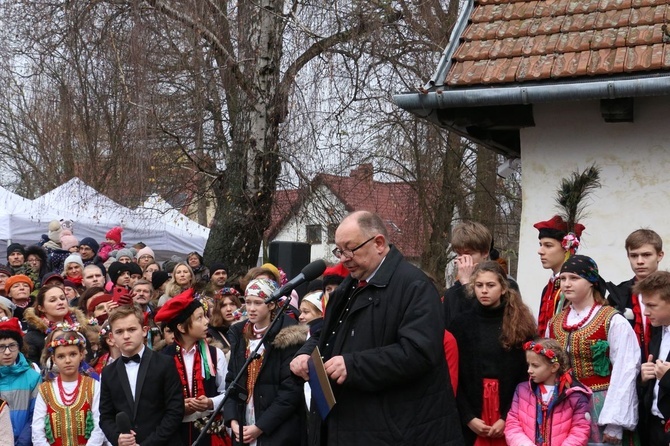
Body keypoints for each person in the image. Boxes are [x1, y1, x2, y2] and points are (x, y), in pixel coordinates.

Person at [290, 210, 463, 445]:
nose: (343, 258)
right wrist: (306, 353)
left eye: (350, 249)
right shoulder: (347, 288)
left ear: (379, 243)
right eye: (339, 250)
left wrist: (352, 365)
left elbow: (418, 353)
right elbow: (326, 335)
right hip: (350, 425)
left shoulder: (415, 287)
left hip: (399, 430)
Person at [548, 255, 640, 445]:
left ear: (591, 282)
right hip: (564, 405)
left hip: (601, 405)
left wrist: (615, 423)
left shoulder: (612, 320)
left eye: (574, 278)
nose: (566, 284)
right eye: (563, 278)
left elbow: (626, 369)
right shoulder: (555, 322)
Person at [450, 261, 536, 445]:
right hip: (472, 406)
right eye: (479, 285)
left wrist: (507, 417)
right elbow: (455, 376)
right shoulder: (461, 323)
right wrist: (468, 417)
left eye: (490, 285)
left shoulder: (520, 324)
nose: (484, 291)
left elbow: (525, 375)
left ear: (503, 288)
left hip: (509, 405)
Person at [224, 278, 307, 445]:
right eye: (248, 302)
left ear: (271, 305)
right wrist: (233, 420)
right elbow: (231, 380)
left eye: (258, 303)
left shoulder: (288, 337)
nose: (251, 308)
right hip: (243, 425)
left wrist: (260, 427)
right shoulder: (239, 335)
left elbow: (290, 391)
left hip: (276, 431)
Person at [99, 304, 184, 446]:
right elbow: (106, 416)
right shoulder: (108, 372)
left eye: (131, 329)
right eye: (119, 332)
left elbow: (175, 411)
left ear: (144, 331)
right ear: (112, 337)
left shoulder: (165, 363)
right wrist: (118, 438)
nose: (126, 336)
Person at [155, 289, 228, 445]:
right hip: (174, 435)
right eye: (199, 318)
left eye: (205, 316)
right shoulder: (161, 359)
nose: (206, 322)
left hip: (209, 432)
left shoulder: (215, 355)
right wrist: (178, 407)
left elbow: (228, 393)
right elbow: (154, 401)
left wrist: (210, 403)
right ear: (181, 328)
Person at [505, 338, 591, 446]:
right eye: (528, 364)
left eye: (535, 365)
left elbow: (580, 430)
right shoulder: (522, 390)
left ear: (554, 367)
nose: (529, 370)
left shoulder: (575, 395)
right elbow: (512, 424)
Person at [32, 328, 106, 446]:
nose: (67, 360)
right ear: (53, 359)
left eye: (72, 354)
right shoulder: (45, 389)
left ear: (81, 355)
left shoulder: (93, 386)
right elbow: (37, 429)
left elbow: (100, 424)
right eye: (61, 356)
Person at [607, 228, 664, 361]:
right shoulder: (617, 294)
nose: (639, 261)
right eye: (634, 255)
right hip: (629, 368)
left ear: (660, 255)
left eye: (646, 255)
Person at [632, 270, 670, 445]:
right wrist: (645, 379)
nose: (645, 313)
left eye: (652, 305)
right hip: (654, 427)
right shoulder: (659, 332)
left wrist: (667, 378)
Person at [534, 216, 584, 336]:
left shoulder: (578, 287)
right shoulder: (548, 288)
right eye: (540, 244)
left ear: (566, 249)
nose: (540, 251)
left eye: (548, 245)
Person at [23, 284, 92, 365]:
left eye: (62, 298)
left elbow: (89, 358)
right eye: (53, 300)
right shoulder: (32, 337)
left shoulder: (78, 328)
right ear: (41, 308)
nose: (60, 302)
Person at [443, 221, 493, 330]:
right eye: (459, 254)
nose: (463, 260)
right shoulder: (452, 293)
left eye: (469, 254)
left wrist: (466, 283)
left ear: (484, 253)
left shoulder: (501, 284)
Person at [0, 317, 41, 446]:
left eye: (12, 346)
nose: (7, 352)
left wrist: (22, 443)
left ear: (19, 347)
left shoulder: (33, 377)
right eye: (1, 347)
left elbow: (35, 415)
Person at [207, 287, 243, 357]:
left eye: (232, 304)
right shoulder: (211, 334)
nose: (228, 309)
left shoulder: (247, 327)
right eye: (223, 306)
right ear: (218, 309)